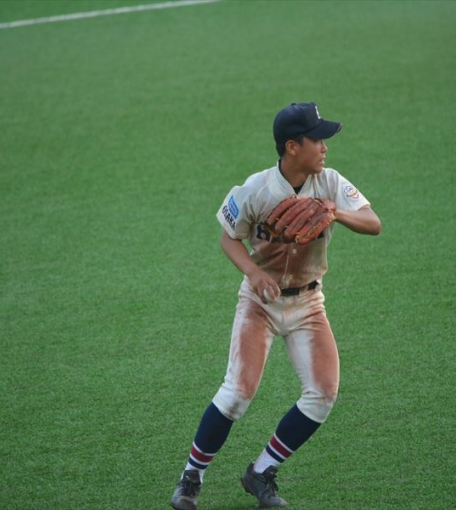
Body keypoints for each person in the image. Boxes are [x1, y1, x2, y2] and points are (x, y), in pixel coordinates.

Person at [170, 102, 381, 510]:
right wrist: (253, 272)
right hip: (260, 305)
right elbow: (228, 237)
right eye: (316, 139)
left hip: (309, 303)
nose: (325, 147)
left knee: (323, 394)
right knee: (237, 393)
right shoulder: (256, 190)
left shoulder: (330, 182)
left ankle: (261, 471)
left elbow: (373, 223)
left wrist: (336, 213)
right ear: (292, 146)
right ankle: (191, 477)